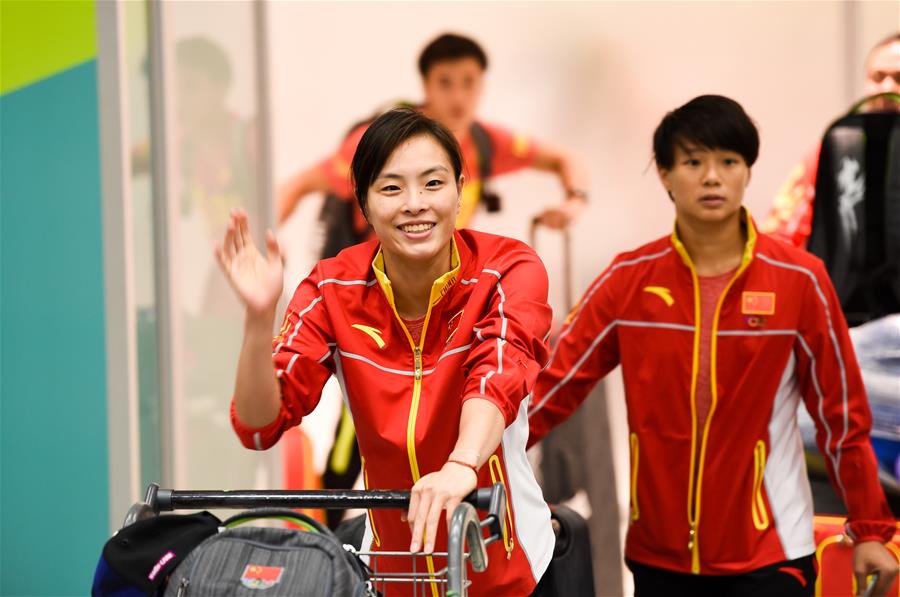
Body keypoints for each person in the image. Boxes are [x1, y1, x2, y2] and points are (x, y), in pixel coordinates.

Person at [527, 95, 898, 596]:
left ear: (747, 171)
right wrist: (467, 463)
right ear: (665, 174)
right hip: (658, 554)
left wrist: (871, 527)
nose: (711, 177)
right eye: (693, 161)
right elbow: (551, 387)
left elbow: (842, 416)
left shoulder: (799, 280)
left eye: (729, 161)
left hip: (772, 551)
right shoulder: (628, 279)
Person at [216, 109, 555, 596]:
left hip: (508, 568)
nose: (415, 204)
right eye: (391, 188)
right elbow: (257, 426)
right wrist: (256, 320)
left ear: (461, 190)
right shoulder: (329, 287)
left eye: (433, 184)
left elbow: (497, 372)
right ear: (363, 203)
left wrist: (461, 465)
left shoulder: (508, 268)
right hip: (396, 571)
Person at [277, 32, 588, 235]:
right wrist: (264, 242)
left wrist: (575, 200)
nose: (458, 97)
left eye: (469, 82)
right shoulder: (379, 140)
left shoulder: (487, 142)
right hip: (369, 293)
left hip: (440, 290)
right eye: (445, 82)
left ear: (483, 84)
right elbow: (298, 184)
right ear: (425, 85)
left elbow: (564, 158)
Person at [763, 32, 900, 246]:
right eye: (878, 77)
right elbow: (780, 235)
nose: (887, 88)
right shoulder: (838, 150)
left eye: (899, 78)